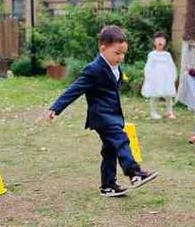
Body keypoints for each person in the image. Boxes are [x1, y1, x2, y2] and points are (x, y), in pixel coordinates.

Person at [47, 25, 158, 197]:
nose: (121, 57)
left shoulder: (114, 67)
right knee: (121, 140)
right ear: (103, 48)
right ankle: (134, 173)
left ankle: (108, 186)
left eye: (123, 54)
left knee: (110, 150)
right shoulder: (94, 68)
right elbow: (75, 89)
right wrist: (56, 107)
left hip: (113, 116)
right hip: (101, 117)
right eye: (117, 53)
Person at [141, 32, 177, 120]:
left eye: (162, 40)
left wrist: (173, 76)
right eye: (158, 40)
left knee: (168, 95)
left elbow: (171, 66)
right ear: (154, 42)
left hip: (166, 77)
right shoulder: (152, 55)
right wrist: (148, 76)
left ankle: (169, 111)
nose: (160, 42)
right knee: (154, 95)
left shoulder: (167, 55)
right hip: (155, 78)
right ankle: (153, 112)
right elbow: (148, 66)